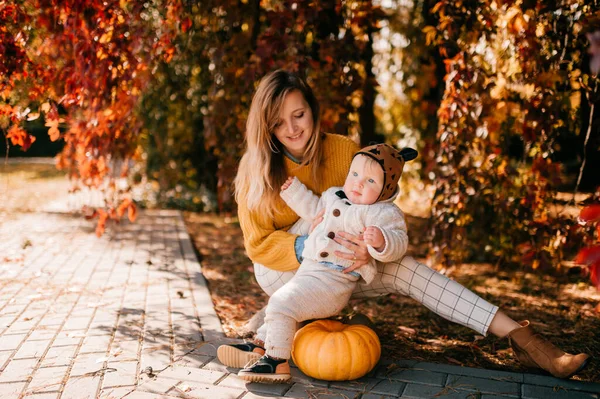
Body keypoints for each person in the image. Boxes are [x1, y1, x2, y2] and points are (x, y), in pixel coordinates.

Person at [217, 69, 590, 380]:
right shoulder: (256, 168)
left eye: (299, 115)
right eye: (279, 122)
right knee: (316, 214)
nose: (292, 129)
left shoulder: (344, 150)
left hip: (345, 264)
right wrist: (311, 240)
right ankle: (279, 325)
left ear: (313, 109)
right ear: (266, 126)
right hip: (281, 268)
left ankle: (527, 342)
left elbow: (374, 205)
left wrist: (370, 246)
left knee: (408, 270)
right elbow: (258, 245)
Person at [233, 143, 416, 382]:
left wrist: (382, 241)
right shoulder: (334, 195)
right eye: (355, 174)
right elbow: (314, 210)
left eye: (371, 181)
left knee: (282, 302)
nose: (359, 183)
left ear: (385, 189)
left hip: (333, 282)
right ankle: (261, 346)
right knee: (283, 303)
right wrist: (294, 192)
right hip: (310, 273)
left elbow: (399, 239)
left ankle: (276, 362)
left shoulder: (381, 213)